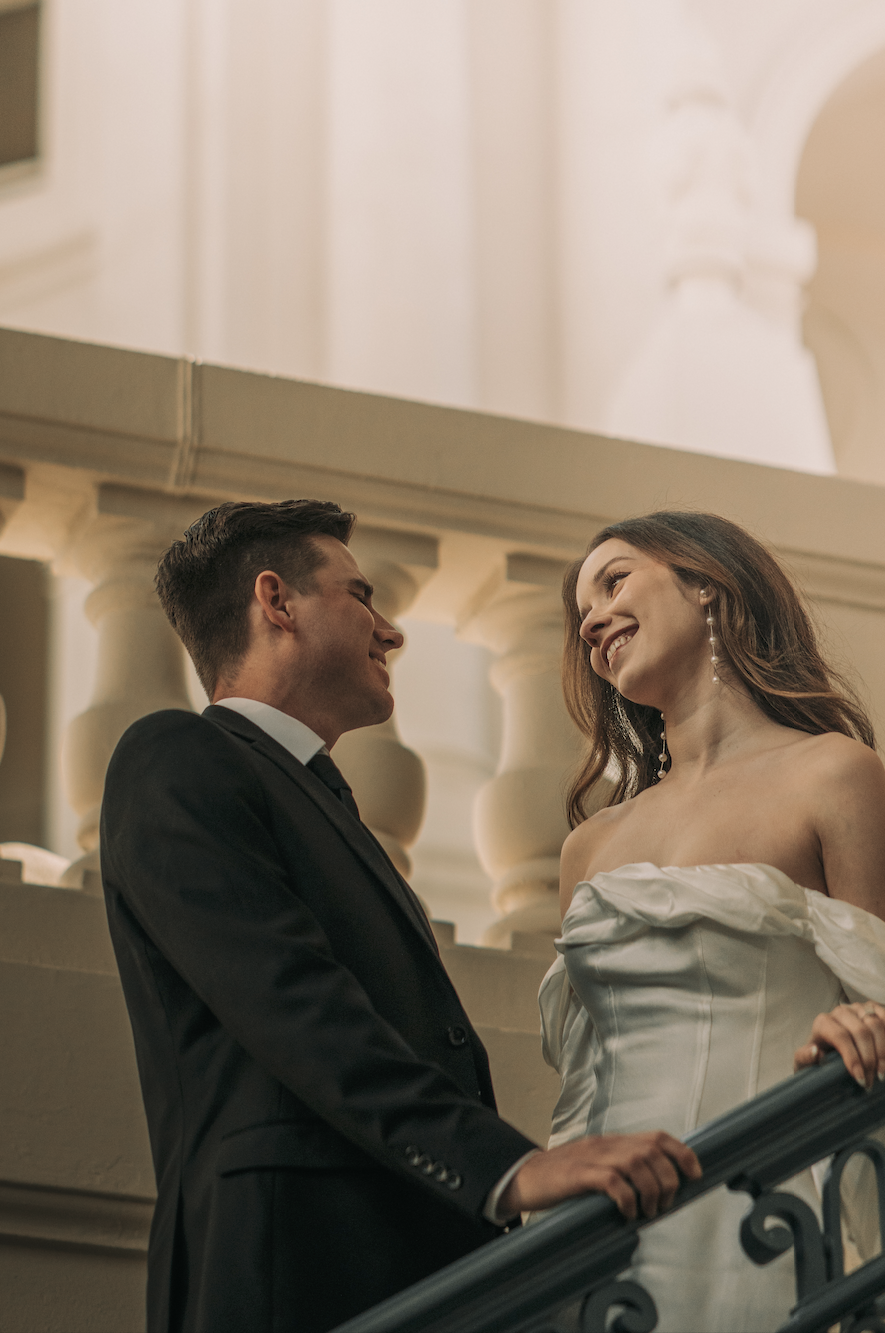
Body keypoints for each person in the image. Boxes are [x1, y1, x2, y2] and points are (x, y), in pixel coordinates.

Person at [101, 498, 701, 1333]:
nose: (392, 632)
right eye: (362, 597)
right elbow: (294, 1001)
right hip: (291, 1267)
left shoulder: (326, 804)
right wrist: (508, 1171)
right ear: (276, 603)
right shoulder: (177, 756)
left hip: (413, 1271)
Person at [541, 511, 885, 1330]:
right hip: (598, 1229)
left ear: (705, 584)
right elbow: (579, 1086)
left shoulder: (831, 773)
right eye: (581, 617)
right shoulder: (588, 847)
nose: (590, 623)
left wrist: (862, 1024)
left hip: (769, 1205)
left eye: (614, 580)